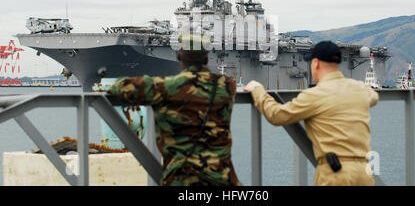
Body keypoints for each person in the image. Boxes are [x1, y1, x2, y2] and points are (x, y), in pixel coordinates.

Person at [108, 34, 240, 186]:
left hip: (181, 179)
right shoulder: (227, 85)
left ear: (179, 57)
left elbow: (122, 85)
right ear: (205, 59)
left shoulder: (165, 87)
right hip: (222, 178)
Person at [244, 40, 379, 186]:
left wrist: (257, 90)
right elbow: (373, 97)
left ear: (316, 63)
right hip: (364, 173)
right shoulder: (360, 89)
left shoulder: (314, 95)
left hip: (336, 174)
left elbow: (276, 115)